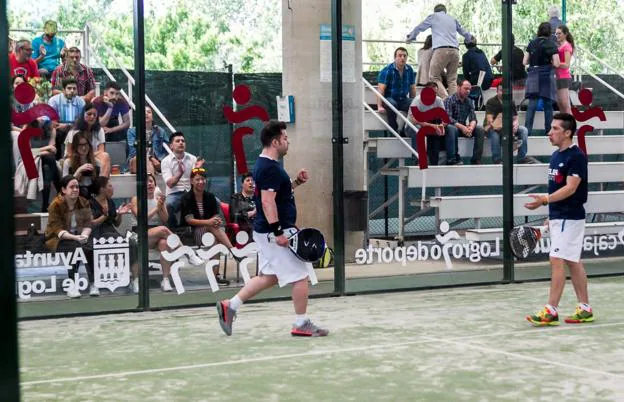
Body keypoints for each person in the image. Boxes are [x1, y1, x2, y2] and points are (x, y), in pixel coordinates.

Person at [217, 120, 328, 337]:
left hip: (267, 231)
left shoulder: (269, 166)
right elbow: (267, 203)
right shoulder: (268, 168)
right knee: (299, 276)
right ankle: (301, 323)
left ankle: (230, 306)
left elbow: (277, 195)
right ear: (276, 142)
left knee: (270, 276)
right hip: (273, 232)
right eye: (285, 139)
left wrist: (295, 182)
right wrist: (278, 232)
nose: (288, 142)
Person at [524, 113, 593, 326]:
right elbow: (557, 189)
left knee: (556, 260)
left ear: (567, 132)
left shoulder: (576, 157)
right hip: (559, 217)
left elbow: (571, 189)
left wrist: (545, 200)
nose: (549, 132)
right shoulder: (555, 156)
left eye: (554, 129)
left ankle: (551, 310)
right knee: (572, 261)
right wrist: (550, 215)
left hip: (570, 217)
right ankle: (585, 308)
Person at [406, 3, 472, 98]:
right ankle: (454, 102)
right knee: (452, 79)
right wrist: (469, 39)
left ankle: (446, 99)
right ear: (445, 11)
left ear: (435, 11)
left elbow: (420, 27)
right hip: (455, 51)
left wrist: (411, 37)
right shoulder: (452, 19)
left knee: (434, 77)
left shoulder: (433, 17)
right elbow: (464, 32)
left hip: (441, 50)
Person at [180, 167, 232, 285]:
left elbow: (215, 216)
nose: (201, 182)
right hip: (194, 232)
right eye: (197, 179)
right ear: (192, 181)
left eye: (203, 179)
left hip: (211, 232)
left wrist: (216, 221)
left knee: (216, 242)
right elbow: (190, 220)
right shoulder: (186, 198)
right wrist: (209, 222)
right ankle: (232, 250)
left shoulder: (210, 197)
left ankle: (215, 276)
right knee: (213, 228)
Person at [44, 175, 93, 298]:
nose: (75, 189)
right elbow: (57, 230)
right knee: (74, 248)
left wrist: (84, 236)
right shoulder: (55, 205)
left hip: (78, 236)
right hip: (57, 239)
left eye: (77, 187)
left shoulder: (84, 202)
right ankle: (71, 285)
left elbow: (88, 223)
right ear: (63, 190)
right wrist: (76, 238)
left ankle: (93, 283)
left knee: (90, 248)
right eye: (72, 187)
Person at [129, 173, 174, 293]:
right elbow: (142, 219)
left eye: (151, 181)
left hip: (155, 235)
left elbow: (165, 219)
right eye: (146, 182)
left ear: (155, 184)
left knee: (164, 243)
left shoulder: (158, 199)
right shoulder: (135, 199)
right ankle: (184, 251)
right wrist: (156, 208)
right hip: (139, 232)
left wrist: (162, 205)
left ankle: (165, 279)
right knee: (164, 230)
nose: (149, 184)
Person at [88, 176, 132, 296]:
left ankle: (122, 276)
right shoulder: (90, 203)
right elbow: (92, 224)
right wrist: (104, 215)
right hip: (97, 233)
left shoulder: (110, 202)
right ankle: (94, 283)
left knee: (128, 243)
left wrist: (120, 214)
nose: (112, 188)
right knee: (89, 249)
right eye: (110, 186)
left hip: (110, 231)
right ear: (102, 189)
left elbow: (116, 223)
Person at [484, 82, 537, 164]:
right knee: (495, 135)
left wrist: (515, 124)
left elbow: (515, 118)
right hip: (493, 127)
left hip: (507, 126)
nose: (503, 92)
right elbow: (490, 120)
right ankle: (497, 159)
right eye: (501, 90)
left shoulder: (511, 101)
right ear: (497, 91)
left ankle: (521, 158)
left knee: (524, 130)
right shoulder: (491, 102)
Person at [524, 22, 560, 137]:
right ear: (549, 32)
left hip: (533, 74)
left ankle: (527, 131)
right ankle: (548, 131)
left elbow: (524, 62)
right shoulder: (552, 44)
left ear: (539, 31)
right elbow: (557, 63)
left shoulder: (531, 43)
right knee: (548, 104)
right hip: (546, 75)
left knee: (532, 104)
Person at [161, 131, 204, 227]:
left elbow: (196, 181)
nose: (181, 143)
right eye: (177, 141)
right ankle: (174, 229)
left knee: (215, 201)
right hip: (174, 193)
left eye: (183, 141)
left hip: (190, 192)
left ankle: (206, 228)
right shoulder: (165, 161)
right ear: (171, 146)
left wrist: (197, 169)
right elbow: (170, 184)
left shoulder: (192, 158)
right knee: (168, 204)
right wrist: (180, 173)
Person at [405, 81, 448, 166]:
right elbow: (414, 120)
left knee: (445, 131)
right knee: (419, 130)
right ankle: (418, 160)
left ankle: (436, 163)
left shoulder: (438, 100)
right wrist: (432, 126)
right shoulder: (417, 100)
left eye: (435, 93)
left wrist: (441, 126)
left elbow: (445, 119)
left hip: (430, 126)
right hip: (412, 127)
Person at [443, 79, 485, 164]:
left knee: (480, 129)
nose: (468, 91)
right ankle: (452, 159)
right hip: (452, 127)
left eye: (469, 89)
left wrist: (471, 128)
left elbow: (473, 117)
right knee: (452, 129)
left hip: (463, 127)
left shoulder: (469, 101)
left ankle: (476, 159)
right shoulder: (449, 100)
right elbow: (448, 118)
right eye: (465, 88)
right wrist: (463, 128)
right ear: (458, 88)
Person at [376, 47, 416, 135]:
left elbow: (412, 88)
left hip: (403, 99)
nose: (402, 58)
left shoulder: (409, 70)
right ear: (395, 57)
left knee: (415, 104)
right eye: (400, 55)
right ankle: (394, 131)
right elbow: (381, 89)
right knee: (392, 104)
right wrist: (379, 106)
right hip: (389, 98)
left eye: (404, 56)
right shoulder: (387, 70)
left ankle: (406, 129)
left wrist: (413, 101)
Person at [65, 102, 111, 176]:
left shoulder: (99, 130)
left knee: (105, 155)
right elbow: (69, 153)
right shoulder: (73, 132)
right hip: (76, 158)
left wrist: (89, 156)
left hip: (93, 158)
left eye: (94, 115)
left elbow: (101, 151)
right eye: (89, 114)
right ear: (83, 115)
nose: (92, 117)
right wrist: (83, 156)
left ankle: (103, 183)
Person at [127, 106, 169, 174]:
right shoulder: (132, 131)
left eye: (149, 112)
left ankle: (150, 181)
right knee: (145, 161)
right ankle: (152, 182)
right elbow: (133, 151)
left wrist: (162, 161)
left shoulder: (160, 131)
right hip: (136, 161)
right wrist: (151, 158)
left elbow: (168, 148)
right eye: (143, 112)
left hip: (157, 162)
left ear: (152, 117)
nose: (146, 113)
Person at [63, 132, 100, 198]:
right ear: (75, 147)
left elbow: (99, 187)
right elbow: (65, 185)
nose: (84, 148)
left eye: (86, 144)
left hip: (92, 195)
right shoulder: (68, 163)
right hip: (75, 196)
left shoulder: (97, 163)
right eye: (80, 145)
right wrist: (78, 171)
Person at [555, 25, 574, 114]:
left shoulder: (567, 46)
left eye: (559, 33)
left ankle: (571, 127)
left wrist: (555, 63)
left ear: (565, 34)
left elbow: (566, 65)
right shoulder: (561, 46)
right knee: (560, 104)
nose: (557, 35)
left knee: (565, 105)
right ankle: (565, 126)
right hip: (559, 77)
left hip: (563, 77)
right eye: (556, 34)